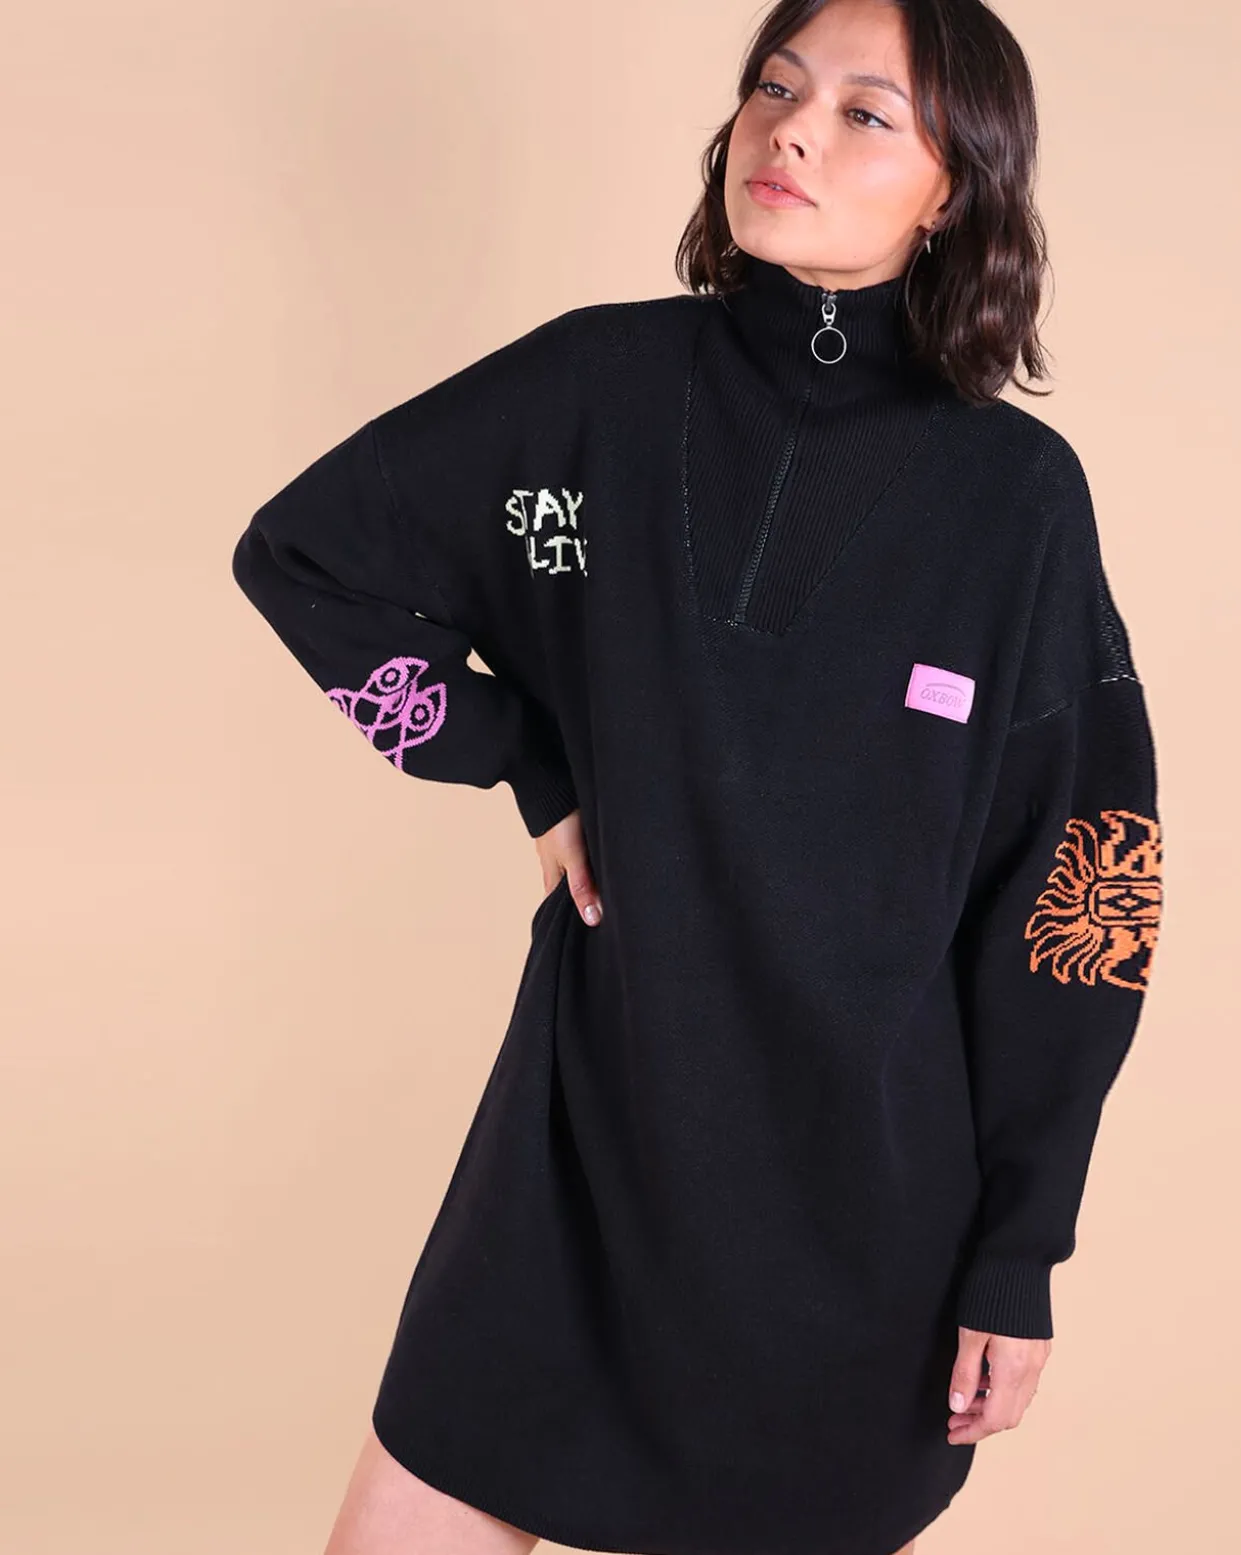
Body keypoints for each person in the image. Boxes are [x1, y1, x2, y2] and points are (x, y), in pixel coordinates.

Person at [231, 0, 1164, 1551]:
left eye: (866, 112)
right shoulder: (596, 387)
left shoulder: (1016, 503)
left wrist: (1022, 1248)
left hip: (856, 1226)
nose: (791, 127)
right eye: (774, 86)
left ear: (957, 190)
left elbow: (1084, 886)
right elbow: (303, 555)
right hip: (579, 1156)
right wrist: (522, 758)